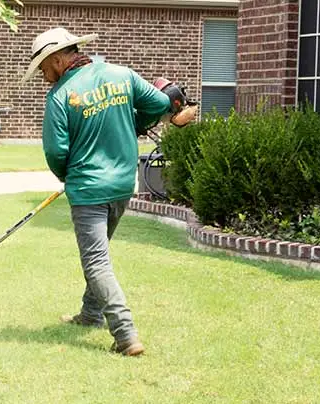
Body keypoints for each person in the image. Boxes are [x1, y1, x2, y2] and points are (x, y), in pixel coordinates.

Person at [22, 27, 197, 356]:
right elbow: (162, 102)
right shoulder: (122, 75)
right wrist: (135, 122)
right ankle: (90, 314)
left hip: (88, 189)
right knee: (98, 255)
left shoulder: (59, 97)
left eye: (44, 68)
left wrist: (69, 176)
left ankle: (125, 334)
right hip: (121, 185)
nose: (44, 76)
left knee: (96, 262)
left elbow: (56, 152)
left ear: (58, 60)